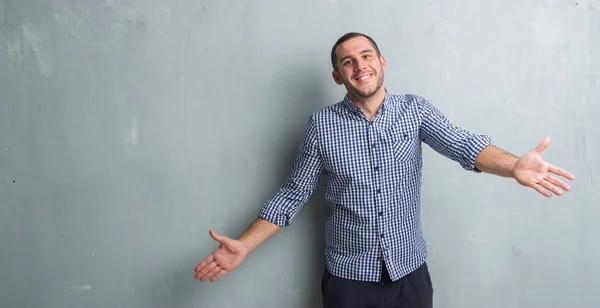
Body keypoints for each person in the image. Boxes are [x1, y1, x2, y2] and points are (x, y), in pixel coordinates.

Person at [193, 32, 575, 308]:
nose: (360, 65)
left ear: (382, 63)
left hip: (410, 273)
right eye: (348, 61)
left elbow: (464, 145)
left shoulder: (415, 111)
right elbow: (291, 196)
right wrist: (244, 244)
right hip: (349, 281)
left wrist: (513, 167)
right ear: (338, 76)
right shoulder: (320, 127)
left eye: (366, 55)